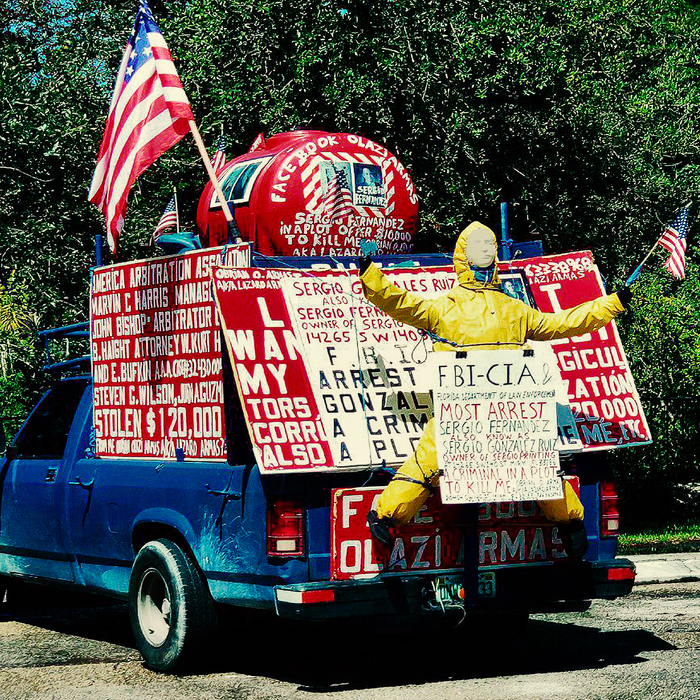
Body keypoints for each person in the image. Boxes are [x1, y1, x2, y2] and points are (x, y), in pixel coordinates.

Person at [359, 221, 632, 554]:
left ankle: (385, 516)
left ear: (460, 261)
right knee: (535, 461)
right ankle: (571, 523)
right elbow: (564, 323)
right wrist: (611, 304)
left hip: (468, 413)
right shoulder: (511, 310)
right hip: (506, 414)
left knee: (432, 460)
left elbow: (400, 303)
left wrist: (370, 274)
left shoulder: (448, 308)